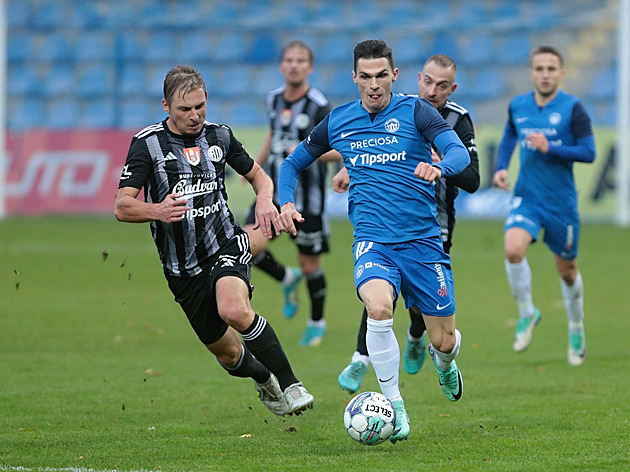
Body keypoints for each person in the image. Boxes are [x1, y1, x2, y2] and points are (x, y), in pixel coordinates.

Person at [276, 39, 470, 443]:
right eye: (366, 77)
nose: (374, 84)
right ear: (355, 78)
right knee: (379, 308)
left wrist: (439, 167)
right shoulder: (339, 120)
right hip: (372, 242)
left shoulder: (417, 110)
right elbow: (293, 161)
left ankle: (446, 363)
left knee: (444, 340)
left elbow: (458, 153)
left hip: (422, 245)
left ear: (395, 75)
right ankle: (395, 406)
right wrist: (286, 202)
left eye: (382, 75)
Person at [114, 65, 314, 417]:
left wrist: (266, 198)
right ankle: (264, 377)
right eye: (185, 109)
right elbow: (122, 205)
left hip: (225, 245)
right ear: (166, 106)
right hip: (181, 269)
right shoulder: (147, 145)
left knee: (234, 309)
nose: (195, 116)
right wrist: (158, 210)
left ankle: (292, 384)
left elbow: (259, 176)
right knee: (229, 355)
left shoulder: (220, 137)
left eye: (200, 107)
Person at [336, 54, 480, 393]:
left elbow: (473, 178)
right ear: (416, 79)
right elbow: (368, 148)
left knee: (419, 307)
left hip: (435, 224)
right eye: (427, 82)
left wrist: (442, 163)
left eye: (441, 86)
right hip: (385, 224)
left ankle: (421, 339)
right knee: (380, 293)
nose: (432, 91)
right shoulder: (401, 110)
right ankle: (361, 358)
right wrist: (352, 167)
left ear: (452, 88)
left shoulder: (457, 120)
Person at [491, 46, 596, 366]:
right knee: (512, 250)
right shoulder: (519, 105)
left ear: (561, 74)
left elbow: (589, 152)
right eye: (540, 68)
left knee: (566, 271)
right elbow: (510, 134)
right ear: (531, 72)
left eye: (552, 69)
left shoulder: (573, 108)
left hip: (561, 203)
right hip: (528, 196)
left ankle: (576, 327)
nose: (545, 74)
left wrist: (552, 147)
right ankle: (527, 313)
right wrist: (502, 166)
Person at [243, 40, 341, 346]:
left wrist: (302, 154)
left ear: (309, 67)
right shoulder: (274, 99)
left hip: (308, 198)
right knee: (246, 247)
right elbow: (273, 134)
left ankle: (316, 322)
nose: (294, 65)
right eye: (289, 60)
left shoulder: (319, 105)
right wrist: (254, 168)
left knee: (309, 263)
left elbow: (337, 148)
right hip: (271, 192)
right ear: (281, 65)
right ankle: (287, 278)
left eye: (301, 60)